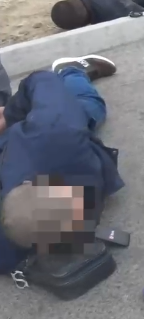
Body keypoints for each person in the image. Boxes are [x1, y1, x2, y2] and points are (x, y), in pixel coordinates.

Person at [0, 55, 124, 274]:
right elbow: (42, 80)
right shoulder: (53, 133)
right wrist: (10, 115)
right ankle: (72, 70)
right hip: (54, 139)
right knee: (87, 105)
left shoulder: (9, 248)